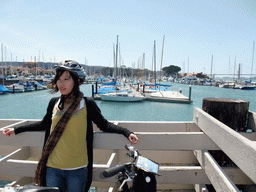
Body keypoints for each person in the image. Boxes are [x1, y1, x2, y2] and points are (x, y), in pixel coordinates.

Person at [3, 60, 139, 192]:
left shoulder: (87, 104)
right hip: (52, 167)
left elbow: (104, 125)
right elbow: (43, 124)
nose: (61, 84)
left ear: (77, 80)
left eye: (66, 79)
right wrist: (16, 129)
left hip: (77, 169)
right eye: (59, 79)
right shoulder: (54, 103)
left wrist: (126, 132)